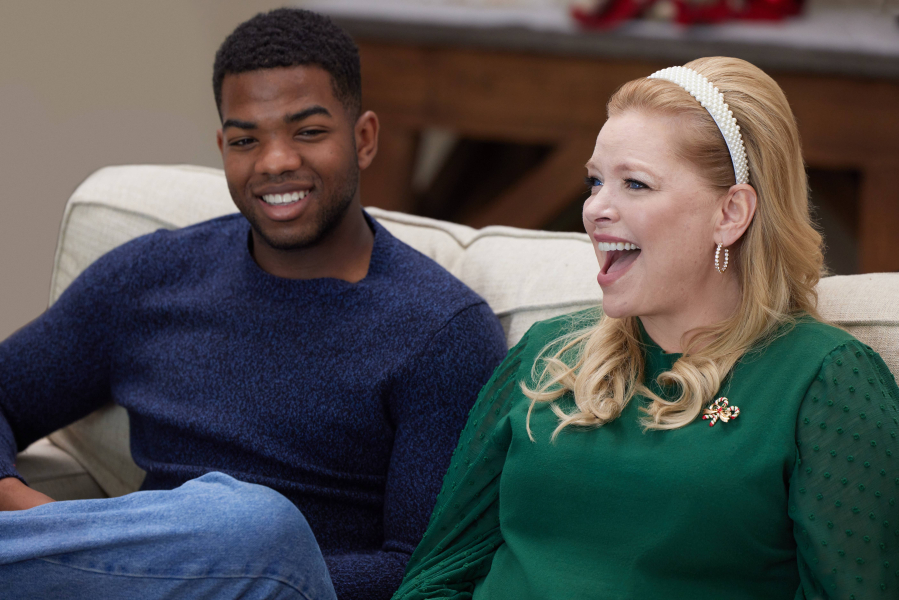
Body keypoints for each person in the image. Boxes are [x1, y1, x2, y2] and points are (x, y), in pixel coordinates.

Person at [0, 8, 507, 599]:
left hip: (290, 588)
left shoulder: (441, 331)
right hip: (129, 583)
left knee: (253, 520)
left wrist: (257, 568)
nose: (275, 162)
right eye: (246, 140)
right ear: (223, 148)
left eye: (308, 132)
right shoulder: (149, 278)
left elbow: (425, 569)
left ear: (363, 139)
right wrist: (26, 505)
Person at [392, 57, 899, 600]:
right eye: (595, 181)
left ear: (731, 213)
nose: (594, 209)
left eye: (634, 183)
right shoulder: (547, 353)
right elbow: (435, 577)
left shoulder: (826, 380)